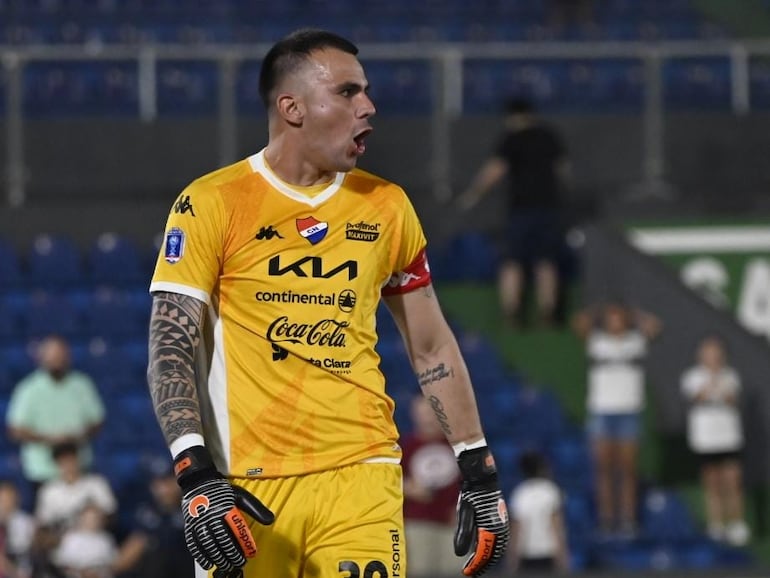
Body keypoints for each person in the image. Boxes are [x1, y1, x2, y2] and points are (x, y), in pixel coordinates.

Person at [146, 28, 509, 578]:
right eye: (346, 92)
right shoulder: (211, 202)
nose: (368, 106)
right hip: (246, 486)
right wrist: (194, 472)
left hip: (362, 472)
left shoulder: (387, 206)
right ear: (292, 107)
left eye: (364, 91)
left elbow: (431, 344)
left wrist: (479, 472)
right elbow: (170, 345)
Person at [457, 97, 570, 328]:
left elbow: (495, 170)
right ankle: (547, 313)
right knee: (546, 262)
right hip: (548, 207)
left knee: (511, 262)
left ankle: (511, 313)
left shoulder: (511, 139)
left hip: (521, 209)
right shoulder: (549, 136)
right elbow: (564, 170)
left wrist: (473, 194)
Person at [572, 303, 661, 538]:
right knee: (604, 469)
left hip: (629, 412)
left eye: (619, 317)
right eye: (611, 318)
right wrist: (597, 313)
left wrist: (634, 313)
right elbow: (579, 322)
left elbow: (655, 326)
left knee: (628, 470)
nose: (615, 322)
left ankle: (628, 520)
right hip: (602, 412)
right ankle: (606, 520)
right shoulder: (597, 341)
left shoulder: (636, 341)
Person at [6, 335, 105, 494]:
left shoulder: (82, 385)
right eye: (52, 356)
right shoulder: (28, 389)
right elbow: (15, 429)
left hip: (78, 468)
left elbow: (97, 421)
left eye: (60, 356)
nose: (56, 361)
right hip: (42, 470)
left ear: (68, 357)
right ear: (41, 358)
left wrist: (77, 436)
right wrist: (49, 439)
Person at [681, 336, 749, 546]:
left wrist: (719, 381)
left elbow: (731, 398)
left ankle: (736, 523)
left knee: (732, 481)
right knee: (712, 482)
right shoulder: (692, 377)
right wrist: (710, 381)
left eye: (716, 352)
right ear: (701, 355)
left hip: (728, 437)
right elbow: (697, 397)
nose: (713, 357)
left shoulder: (731, 376)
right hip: (706, 439)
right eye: (708, 353)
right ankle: (716, 525)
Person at [401, 396, 461, 578]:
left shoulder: (456, 445)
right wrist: (407, 488)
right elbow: (386, 480)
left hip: (454, 526)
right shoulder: (405, 446)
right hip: (418, 524)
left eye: (432, 412)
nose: (428, 417)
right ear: (414, 414)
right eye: (423, 412)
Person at [113, 459, 193, 578]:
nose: (163, 489)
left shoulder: (192, 507)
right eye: (158, 483)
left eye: (167, 481)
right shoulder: (148, 511)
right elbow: (132, 549)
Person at [507, 452, 568, 574]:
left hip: (527, 555)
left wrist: (512, 560)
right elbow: (556, 526)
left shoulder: (519, 493)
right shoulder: (550, 490)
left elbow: (516, 530)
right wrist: (562, 556)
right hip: (548, 553)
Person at [35, 442, 117, 531]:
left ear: (78, 459)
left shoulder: (96, 483)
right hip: (62, 538)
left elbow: (110, 515)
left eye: (71, 459)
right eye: (63, 461)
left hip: (93, 535)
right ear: (57, 463)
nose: (68, 464)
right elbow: (44, 522)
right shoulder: (49, 490)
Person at [53, 503, 118, 578]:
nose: (92, 521)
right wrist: (81, 573)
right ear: (81, 518)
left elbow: (113, 564)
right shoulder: (70, 538)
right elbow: (63, 563)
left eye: (95, 518)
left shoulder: (107, 539)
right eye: (88, 518)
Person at [0, 480, 36, 578]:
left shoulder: (26, 521)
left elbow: (29, 547)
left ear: (17, 499)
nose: (6, 502)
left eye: (9, 498)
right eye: (3, 499)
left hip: (20, 559)